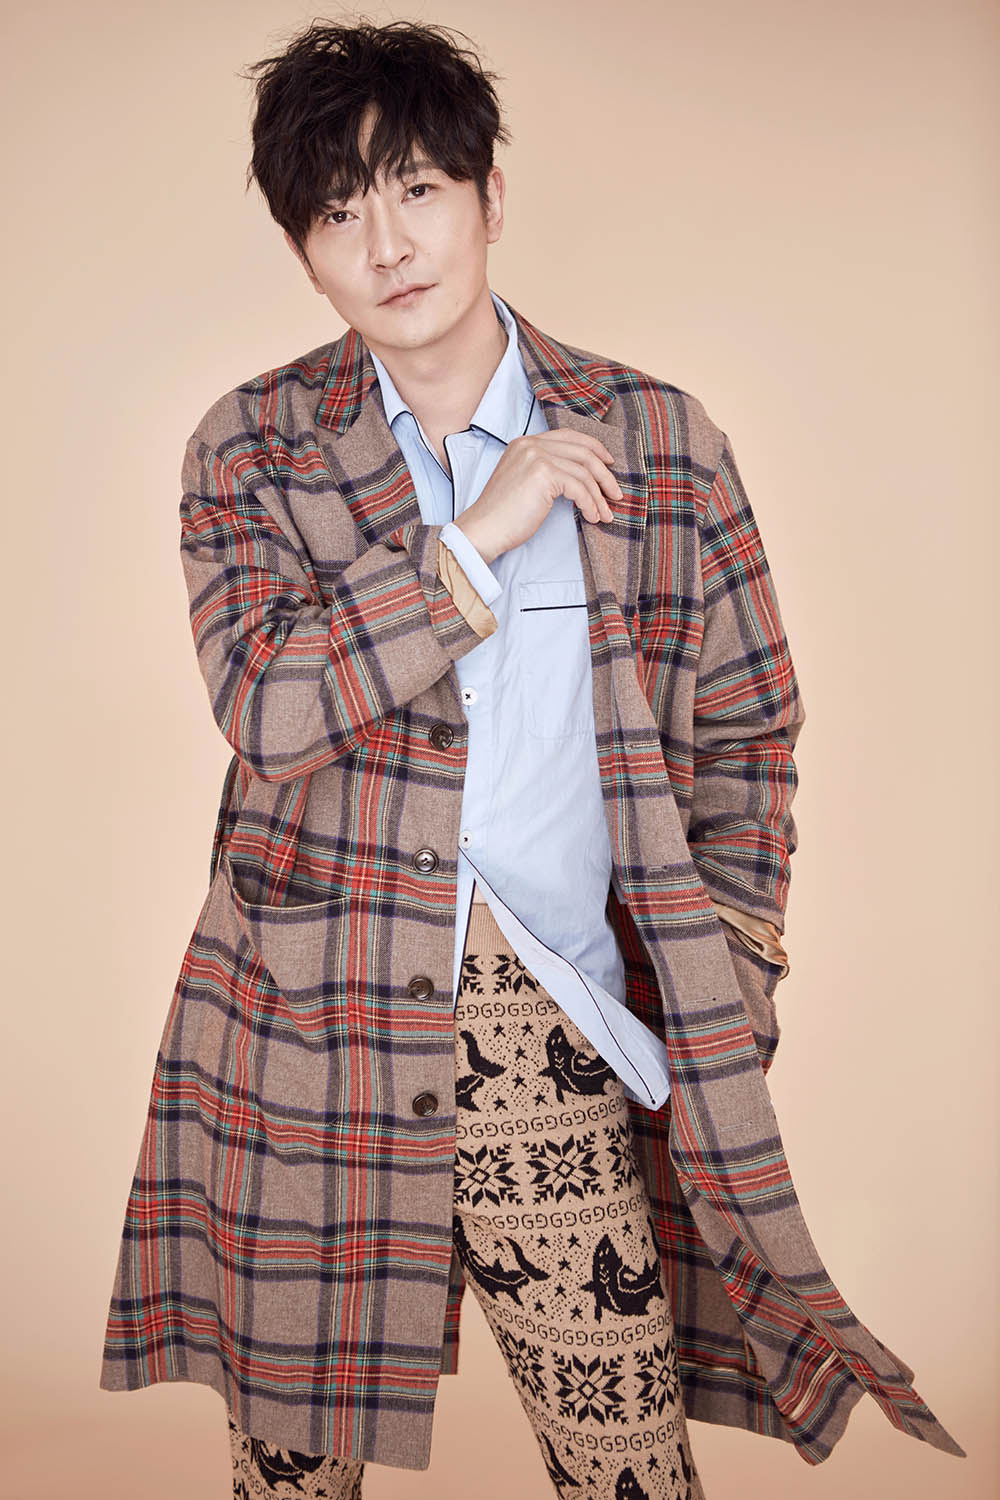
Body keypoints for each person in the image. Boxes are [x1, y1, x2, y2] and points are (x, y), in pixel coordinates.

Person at [98, 18, 965, 1499]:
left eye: (418, 189)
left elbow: (747, 729)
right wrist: (475, 539)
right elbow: (271, 709)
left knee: (626, 1462)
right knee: (291, 1477)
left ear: (490, 194)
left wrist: (732, 966)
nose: (388, 244)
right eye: (339, 214)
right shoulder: (250, 452)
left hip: (548, 1007)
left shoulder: (660, 440)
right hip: (309, 1024)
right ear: (304, 253)